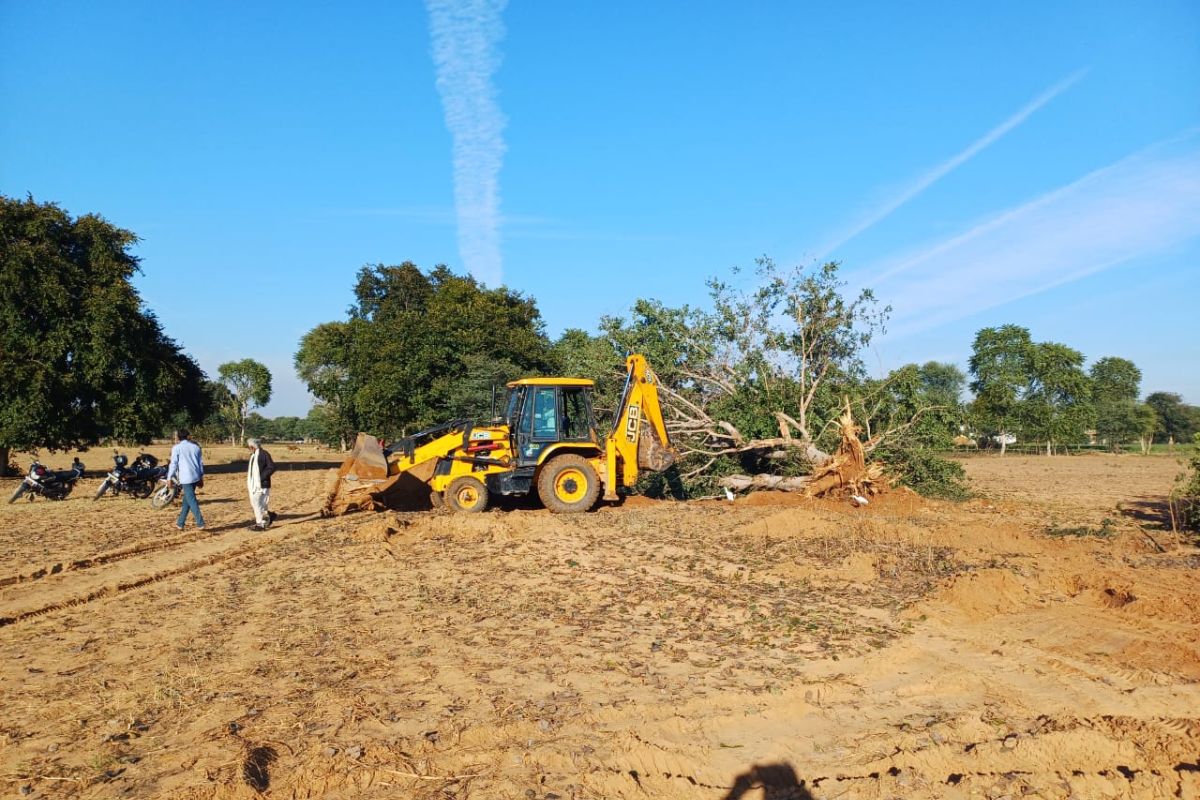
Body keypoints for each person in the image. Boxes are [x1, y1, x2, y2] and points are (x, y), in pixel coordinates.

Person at [165, 429, 205, 531]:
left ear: (178, 437)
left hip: (186, 478)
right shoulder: (196, 447)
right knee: (187, 500)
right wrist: (201, 477)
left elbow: (173, 463)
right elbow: (200, 463)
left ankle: (200, 522)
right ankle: (180, 523)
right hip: (195, 476)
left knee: (191, 500)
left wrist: (169, 477)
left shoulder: (176, 448)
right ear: (188, 436)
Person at [245, 438, 277, 531]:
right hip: (254, 485)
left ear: (252, 446)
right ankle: (268, 517)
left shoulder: (264, 454)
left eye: (249, 446)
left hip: (262, 484)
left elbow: (272, 467)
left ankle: (260, 524)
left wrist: (261, 477)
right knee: (259, 504)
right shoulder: (253, 455)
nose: (249, 447)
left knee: (257, 502)